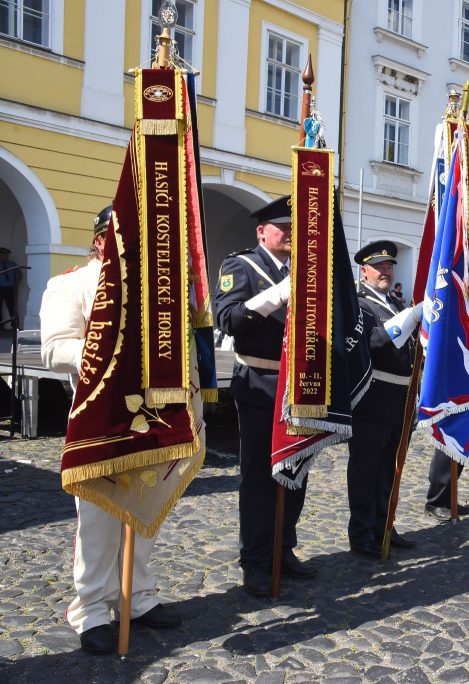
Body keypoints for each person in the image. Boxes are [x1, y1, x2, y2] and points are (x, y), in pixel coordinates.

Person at [41, 206, 181, 655]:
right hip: (98, 421)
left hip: (149, 417)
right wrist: (110, 350)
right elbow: (55, 350)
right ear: (101, 240)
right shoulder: (69, 284)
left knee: (145, 512)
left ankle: (138, 597)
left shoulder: (150, 294)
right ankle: (92, 608)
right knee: (98, 522)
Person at [215, 195, 317, 597]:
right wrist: (278, 294)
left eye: (294, 229)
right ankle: (256, 559)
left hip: (302, 386)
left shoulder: (302, 271)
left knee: (296, 471)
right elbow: (229, 319)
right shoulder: (241, 265)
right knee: (259, 475)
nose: (290, 235)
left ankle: (283, 548)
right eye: (283, 228)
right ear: (262, 232)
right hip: (261, 381)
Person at [347, 240, 418, 557]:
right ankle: (361, 532)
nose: (386, 272)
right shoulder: (358, 304)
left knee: (390, 467)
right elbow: (372, 341)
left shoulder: (395, 303)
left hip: (399, 395)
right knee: (366, 468)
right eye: (379, 267)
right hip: (372, 396)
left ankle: (383, 525)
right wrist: (409, 319)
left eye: (389, 266)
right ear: (364, 271)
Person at [0, 246, 19, 329]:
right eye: (1, 254)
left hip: (9, 289)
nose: (2, 256)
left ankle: (15, 325)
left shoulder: (12, 264)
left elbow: (19, 274)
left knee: (12, 307)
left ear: (8, 255)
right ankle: (1, 325)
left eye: (5, 254)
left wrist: (16, 284)